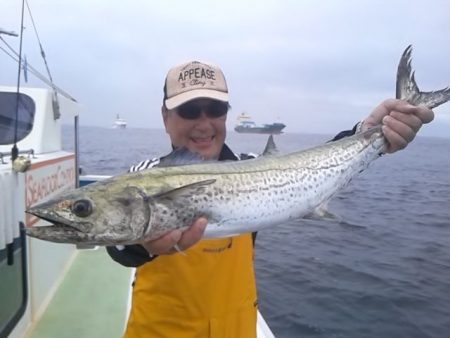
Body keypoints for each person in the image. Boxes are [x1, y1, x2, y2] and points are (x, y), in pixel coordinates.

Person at [107, 60, 434, 338]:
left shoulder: (254, 166)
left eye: (216, 109)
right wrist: (141, 244)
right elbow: (119, 247)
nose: (204, 123)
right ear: (166, 118)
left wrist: (369, 131)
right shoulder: (143, 175)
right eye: (190, 110)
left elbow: (310, 167)